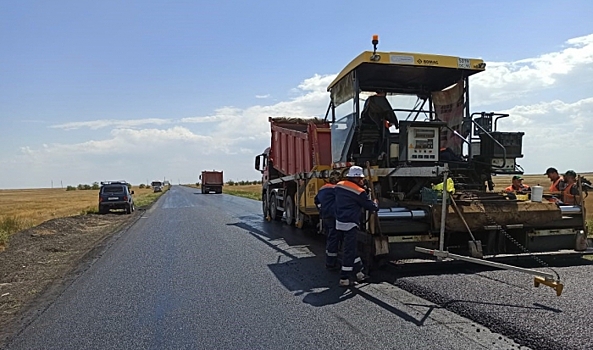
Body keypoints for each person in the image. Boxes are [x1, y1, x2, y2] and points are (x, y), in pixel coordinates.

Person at [334, 166, 379, 287]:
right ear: (357, 178)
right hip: (350, 223)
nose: (363, 181)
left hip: (339, 222)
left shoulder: (339, 185)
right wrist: (375, 203)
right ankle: (344, 277)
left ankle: (360, 272)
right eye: (361, 179)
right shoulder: (359, 192)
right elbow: (370, 207)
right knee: (349, 251)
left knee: (351, 248)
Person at [314, 176, 339, 270]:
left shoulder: (322, 189)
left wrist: (321, 209)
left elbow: (316, 201)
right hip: (333, 216)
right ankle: (331, 262)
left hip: (325, 216)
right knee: (334, 238)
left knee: (330, 237)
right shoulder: (336, 189)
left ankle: (330, 259)